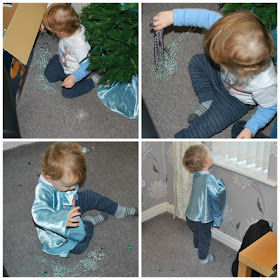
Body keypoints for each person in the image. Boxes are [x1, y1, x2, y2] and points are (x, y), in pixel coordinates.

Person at [152, 9, 277, 138]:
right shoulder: (228, 31)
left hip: (236, 100)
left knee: (206, 126)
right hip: (220, 75)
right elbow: (206, 17)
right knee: (196, 63)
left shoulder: (264, 83)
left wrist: (250, 128)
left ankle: (178, 142)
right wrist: (173, 16)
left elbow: (270, 107)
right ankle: (208, 100)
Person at [31, 142, 138, 258]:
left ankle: (117, 210)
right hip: (61, 231)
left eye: (75, 184)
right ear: (49, 177)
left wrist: (71, 196)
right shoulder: (43, 191)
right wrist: (62, 219)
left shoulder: (64, 181)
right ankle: (89, 223)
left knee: (90, 195)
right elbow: (38, 214)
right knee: (79, 247)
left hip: (73, 205)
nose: (72, 188)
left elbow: (71, 188)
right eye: (68, 186)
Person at [41, 4, 99, 98]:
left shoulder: (80, 46)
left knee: (67, 93)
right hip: (62, 60)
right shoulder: (69, 26)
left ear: (62, 33)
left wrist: (74, 78)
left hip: (74, 71)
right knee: (48, 75)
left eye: (54, 32)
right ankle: (60, 64)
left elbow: (87, 66)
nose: (54, 34)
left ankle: (93, 81)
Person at [182, 145, 226, 263]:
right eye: (210, 154)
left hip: (190, 215)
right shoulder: (209, 178)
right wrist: (220, 184)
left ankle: (196, 248)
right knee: (205, 239)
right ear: (207, 160)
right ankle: (203, 258)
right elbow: (216, 194)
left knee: (196, 233)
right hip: (202, 219)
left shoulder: (196, 175)